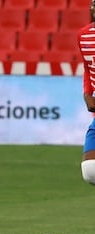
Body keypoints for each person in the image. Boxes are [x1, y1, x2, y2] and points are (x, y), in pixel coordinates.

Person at [79, 0, 95, 185]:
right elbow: (88, 67)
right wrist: (87, 93)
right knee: (90, 171)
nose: (92, 7)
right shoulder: (84, 35)